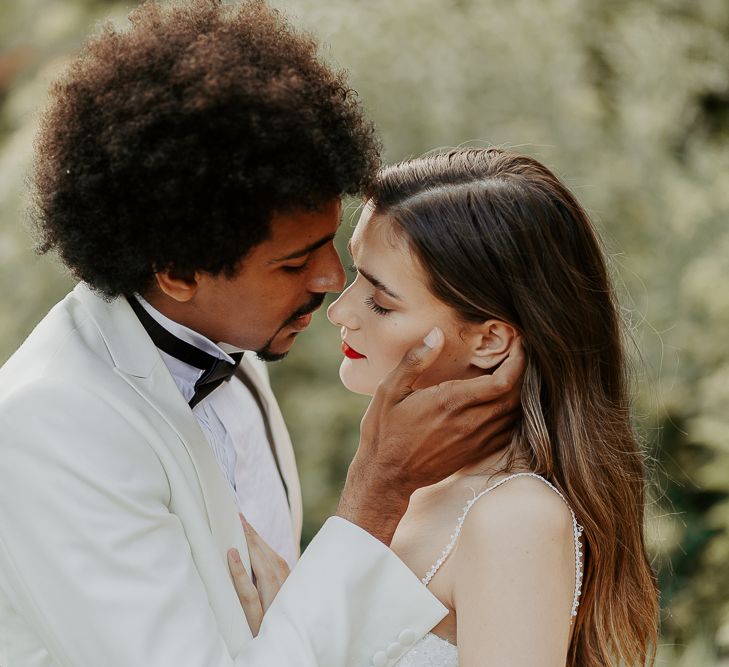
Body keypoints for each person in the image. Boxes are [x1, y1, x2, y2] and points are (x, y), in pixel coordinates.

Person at [0, 3, 522, 666]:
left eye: (326, 244)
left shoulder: (236, 355)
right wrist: (376, 489)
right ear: (179, 270)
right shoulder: (51, 426)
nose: (332, 279)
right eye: (293, 261)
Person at [323, 148, 660, 666]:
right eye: (355, 275)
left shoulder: (515, 517)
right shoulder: (421, 484)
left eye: (381, 301)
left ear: (490, 341)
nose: (340, 310)